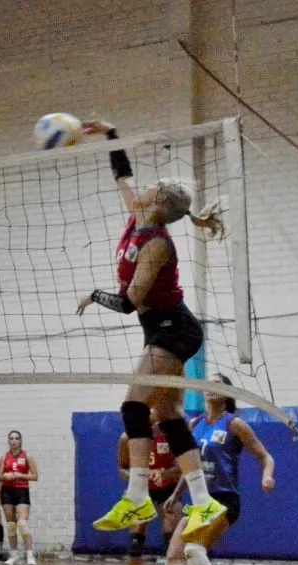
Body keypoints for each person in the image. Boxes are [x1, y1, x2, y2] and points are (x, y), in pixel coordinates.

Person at [75, 118, 227, 539]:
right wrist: (111, 134)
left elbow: (129, 302)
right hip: (160, 328)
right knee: (169, 415)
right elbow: (122, 175)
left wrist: (95, 295)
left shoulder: (157, 243)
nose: (139, 187)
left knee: (133, 406)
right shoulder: (139, 215)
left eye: (151, 185)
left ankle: (138, 496)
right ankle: (204, 501)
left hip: (173, 330)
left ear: (158, 199)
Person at [165, 374, 275, 565]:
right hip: (199, 502)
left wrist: (267, 475)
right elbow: (190, 467)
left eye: (218, 384)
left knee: (194, 550)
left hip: (224, 500)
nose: (211, 387)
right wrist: (176, 494)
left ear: (227, 393)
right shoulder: (195, 424)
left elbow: (265, 456)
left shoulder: (234, 424)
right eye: (208, 383)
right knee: (174, 562)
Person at [116, 412, 184, 565]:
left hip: (168, 490)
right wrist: (138, 476)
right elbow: (122, 469)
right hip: (141, 490)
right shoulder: (127, 437)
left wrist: (165, 473)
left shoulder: (172, 433)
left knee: (172, 542)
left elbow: (183, 467)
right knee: (135, 542)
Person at [0, 431, 39, 565]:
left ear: (20, 441)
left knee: (22, 524)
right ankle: (14, 555)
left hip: (22, 490)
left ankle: (30, 555)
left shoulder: (27, 456)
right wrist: (6, 476)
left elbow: (35, 476)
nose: (14, 441)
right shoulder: (4, 457)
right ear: (8, 441)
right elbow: (0, 476)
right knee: (11, 525)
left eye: (17, 438)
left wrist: (19, 475)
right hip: (7, 492)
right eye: (11, 438)